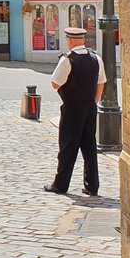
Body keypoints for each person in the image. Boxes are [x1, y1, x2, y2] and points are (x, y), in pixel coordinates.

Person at [44, 25, 107, 197]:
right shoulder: (96, 58)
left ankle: (60, 184)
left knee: (67, 146)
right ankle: (92, 185)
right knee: (89, 147)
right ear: (84, 40)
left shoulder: (68, 60)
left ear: (70, 41)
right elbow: (101, 82)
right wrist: (94, 101)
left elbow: (55, 83)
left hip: (72, 108)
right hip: (89, 107)